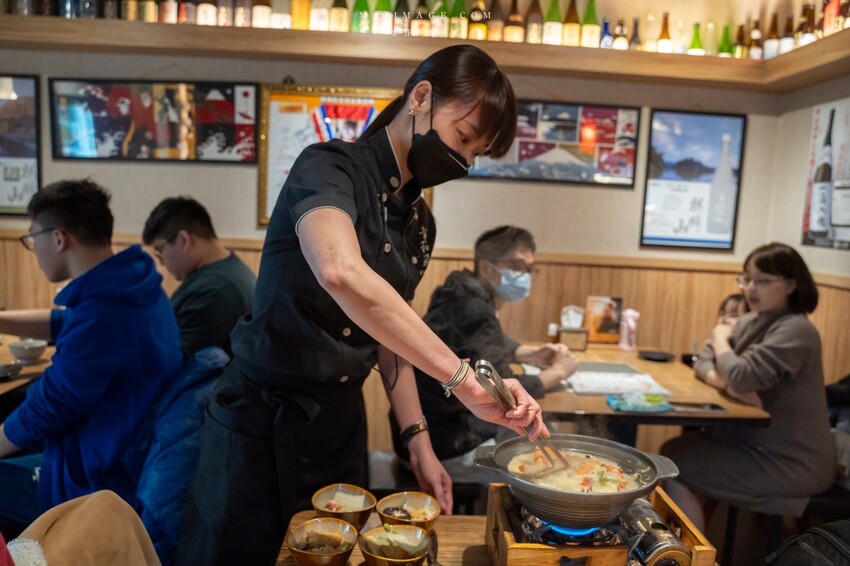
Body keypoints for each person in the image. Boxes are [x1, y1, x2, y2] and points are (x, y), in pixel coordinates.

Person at [177, 44, 548, 566]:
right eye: (463, 139)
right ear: (420, 97)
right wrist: (463, 381)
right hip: (260, 422)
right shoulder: (330, 167)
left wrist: (418, 440)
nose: (463, 161)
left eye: (474, 153)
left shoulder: (420, 225)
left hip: (339, 429)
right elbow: (341, 273)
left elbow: (388, 339)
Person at [0, 179, 183, 527]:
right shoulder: (133, 287)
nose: (33, 249)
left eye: (31, 239)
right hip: (114, 455)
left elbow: (47, 407)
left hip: (91, 486)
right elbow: (64, 322)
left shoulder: (104, 314)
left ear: (57, 238)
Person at [661, 242, 835, 533]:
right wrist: (722, 379)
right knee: (673, 454)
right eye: (747, 279)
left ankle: (693, 559)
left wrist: (720, 337)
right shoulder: (754, 320)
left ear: (791, 285)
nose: (751, 288)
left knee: (675, 463)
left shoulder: (796, 330)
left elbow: (738, 374)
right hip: (751, 442)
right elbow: (704, 359)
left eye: (763, 281)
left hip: (791, 461)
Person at [391, 225, 578, 488]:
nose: (524, 275)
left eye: (528, 269)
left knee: (544, 437)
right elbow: (504, 389)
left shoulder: (462, 291)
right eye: (516, 266)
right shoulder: (473, 308)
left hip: (433, 432)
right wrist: (559, 372)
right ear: (487, 269)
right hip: (443, 447)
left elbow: (482, 342)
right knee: (545, 469)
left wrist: (529, 353)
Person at [142, 196, 256, 358]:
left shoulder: (215, 290)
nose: (161, 262)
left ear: (184, 240)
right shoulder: (228, 272)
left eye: (160, 250)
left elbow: (171, 363)